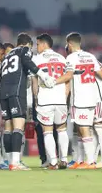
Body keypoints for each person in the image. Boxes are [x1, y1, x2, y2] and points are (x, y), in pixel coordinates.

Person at [0, 33, 55, 171]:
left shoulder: (7, 56)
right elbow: (27, 62)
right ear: (28, 44)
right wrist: (43, 74)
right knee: (19, 126)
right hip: (16, 92)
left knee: (8, 128)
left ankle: (9, 161)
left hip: (3, 93)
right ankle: (15, 162)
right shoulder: (23, 50)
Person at [55, 32, 102, 169]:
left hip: (80, 98)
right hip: (92, 97)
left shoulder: (71, 58)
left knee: (84, 129)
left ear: (70, 44)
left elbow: (67, 76)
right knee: (81, 128)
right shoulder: (91, 56)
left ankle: (90, 161)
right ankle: (80, 160)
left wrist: (52, 82)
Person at [31, 33, 70, 170]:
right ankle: (64, 160)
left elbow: (34, 83)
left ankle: (53, 162)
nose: (36, 47)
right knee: (62, 129)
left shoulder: (36, 59)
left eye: (37, 44)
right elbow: (68, 79)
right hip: (60, 98)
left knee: (47, 131)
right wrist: (65, 95)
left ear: (43, 44)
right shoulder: (61, 58)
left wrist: (35, 100)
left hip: (45, 99)